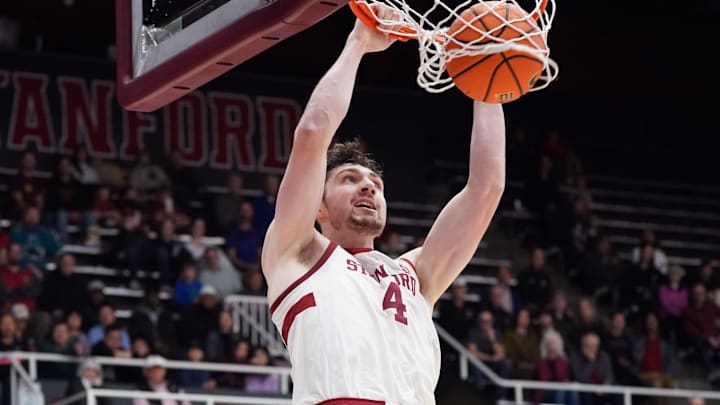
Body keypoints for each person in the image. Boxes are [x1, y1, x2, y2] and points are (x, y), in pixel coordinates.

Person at [261, 6, 506, 404]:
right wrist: (358, 43)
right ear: (317, 208)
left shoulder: (415, 276)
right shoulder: (296, 252)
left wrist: (487, 86)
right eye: (348, 180)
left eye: (375, 184)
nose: (367, 188)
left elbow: (487, 188)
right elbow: (312, 132)